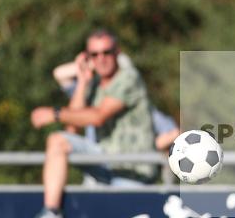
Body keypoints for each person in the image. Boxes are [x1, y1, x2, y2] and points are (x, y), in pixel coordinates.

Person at [24, 30, 159, 218]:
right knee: (58, 141)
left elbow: (98, 117)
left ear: (117, 53)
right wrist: (83, 81)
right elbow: (72, 130)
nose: (101, 59)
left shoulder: (128, 78)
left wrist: (54, 113)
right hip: (105, 165)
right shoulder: (94, 84)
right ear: (88, 57)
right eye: (94, 55)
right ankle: (51, 214)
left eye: (107, 52)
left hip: (131, 170)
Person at [53, 53, 181, 152]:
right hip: (96, 172)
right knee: (57, 141)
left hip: (125, 174)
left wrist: (142, 149)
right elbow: (60, 73)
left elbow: (174, 133)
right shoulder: (92, 96)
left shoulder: (141, 108)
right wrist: (97, 63)